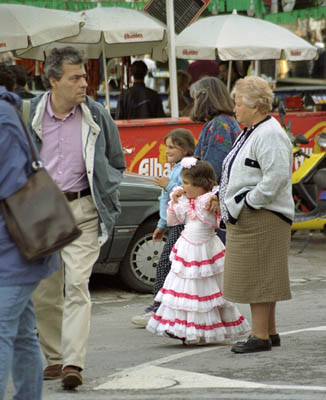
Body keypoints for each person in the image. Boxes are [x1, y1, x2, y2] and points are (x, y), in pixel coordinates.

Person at [27, 46, 126, 389]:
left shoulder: (96, 115)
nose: (84, 82)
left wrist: (105, 190)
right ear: (53, 81)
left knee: (78, 285)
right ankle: (54, 358)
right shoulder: (31, 115)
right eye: (75, 77)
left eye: (84, 76)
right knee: (45, 290)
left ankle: (73, 362)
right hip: (42, 210)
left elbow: (116, 161)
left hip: (84, 209)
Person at [218, 76, 294, 353]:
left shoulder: (268, 133)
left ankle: (259, 335)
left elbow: (275, 178)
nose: (234, 109)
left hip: (262, 215)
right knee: (264, 275)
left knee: (256, 276)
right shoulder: (255, 129)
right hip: (256, 214)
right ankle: (269, 332)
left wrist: (247, 202)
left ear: (255, 105)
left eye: (237, 103)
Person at [146, 157, 250, 344]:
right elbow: (172, 221)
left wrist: (217, 206)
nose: (183, 186)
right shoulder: (184, 200)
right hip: (186, 247)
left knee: (203, 289)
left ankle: (201, 330)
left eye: (186, 183)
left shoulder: (210, 199)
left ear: (201, 184)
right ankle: (180, 328)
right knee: (182, 288)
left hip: (206, 248)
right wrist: (174, 201)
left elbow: (222, 224)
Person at [0, 77, 59, 399]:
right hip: (15, 248)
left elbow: (10, 184)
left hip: (14, 249)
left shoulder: (2, 119)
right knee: (22, 335)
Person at [131, 129, 196, 327]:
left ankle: (159, 307)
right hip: (173, 224)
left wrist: (168, 186)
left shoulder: (186, 168)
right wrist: (161, 225)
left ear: (184, 150)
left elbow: (185, 194)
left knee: (166, 266)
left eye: (172, 147)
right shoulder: (175, 167)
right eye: (166, 146)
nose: (166, 151)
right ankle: (168, 306)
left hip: (181, 226)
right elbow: (166, 204)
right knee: (172, 266)